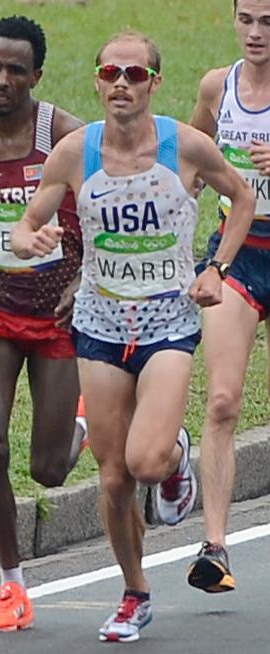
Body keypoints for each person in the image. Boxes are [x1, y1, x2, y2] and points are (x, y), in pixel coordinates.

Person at [11, 29, 255, 642]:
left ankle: (174, 455)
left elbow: (242, 196)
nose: (122, 83)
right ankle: (133, 592)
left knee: (144, 463)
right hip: (98, 323)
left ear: (154, 84)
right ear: (96, 80)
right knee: (114, 479)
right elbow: (28, 222)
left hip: (166, 322)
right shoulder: (74, 151)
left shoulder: (185, 145)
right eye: (111, 72)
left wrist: (216, 267)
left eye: (135, 74)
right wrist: (28, 239)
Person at [0, 15, 88, 632]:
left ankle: (82, 426)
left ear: (37, 76)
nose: (1, 79)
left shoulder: (64, 135)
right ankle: (10, 582)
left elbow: (117, 213)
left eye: (14, 70)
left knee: (48, 469)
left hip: (57, 312)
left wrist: (85, 280)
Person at [187, 0, 270, 594]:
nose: (256, 33)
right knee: (221, 401)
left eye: (269, 21)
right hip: (236, 252)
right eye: (247, 19)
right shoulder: (218, 85)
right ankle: (214, 548)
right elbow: (193, 157)